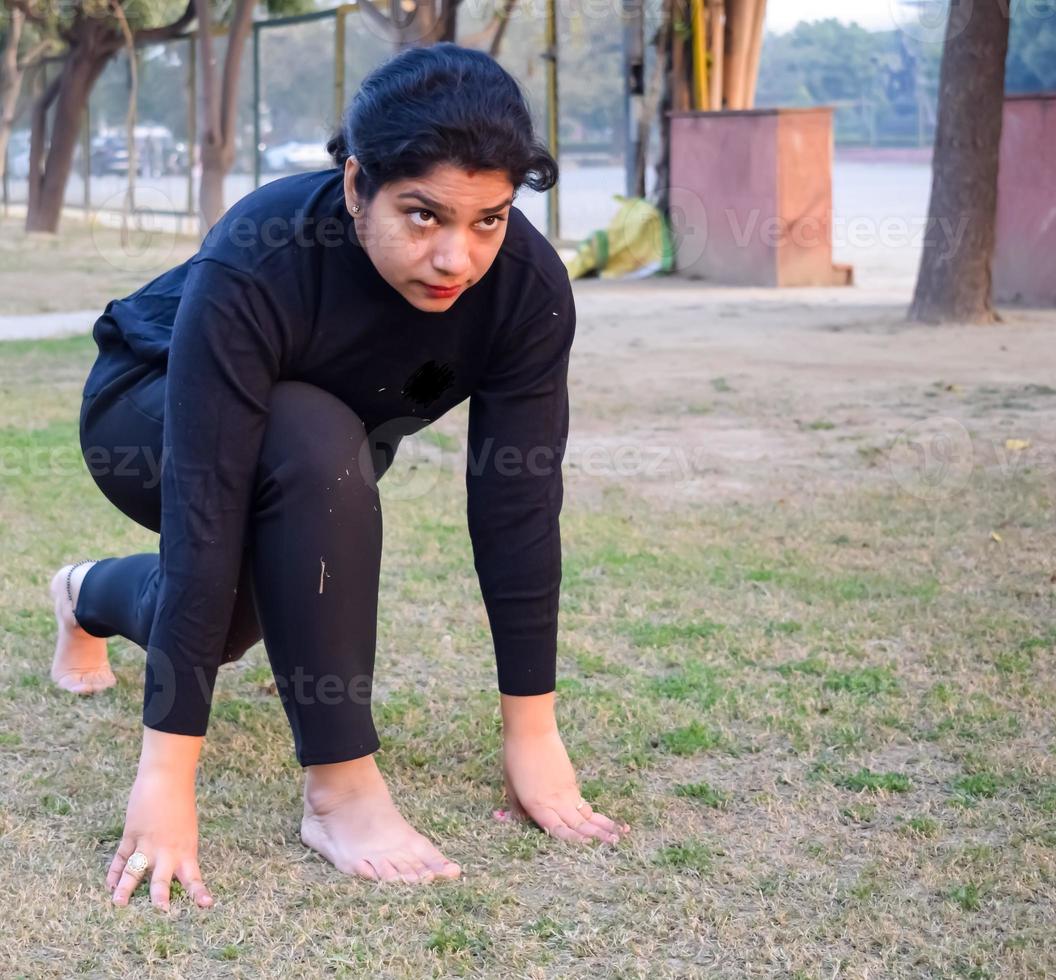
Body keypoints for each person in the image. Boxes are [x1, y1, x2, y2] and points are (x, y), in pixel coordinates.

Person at [51, 42, 630, 913]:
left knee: (238, 616)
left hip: (319, 462)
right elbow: (207, 511)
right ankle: (342, 792)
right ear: (357, 184)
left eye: (489, 219)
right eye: (423, 215)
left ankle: (85, 593)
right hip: (152, 411)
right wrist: (166, 775)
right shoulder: (261, 252)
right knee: (311, 436)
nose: (455, 259)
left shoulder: (524, 290)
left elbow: (516, 506)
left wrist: (532, 732)